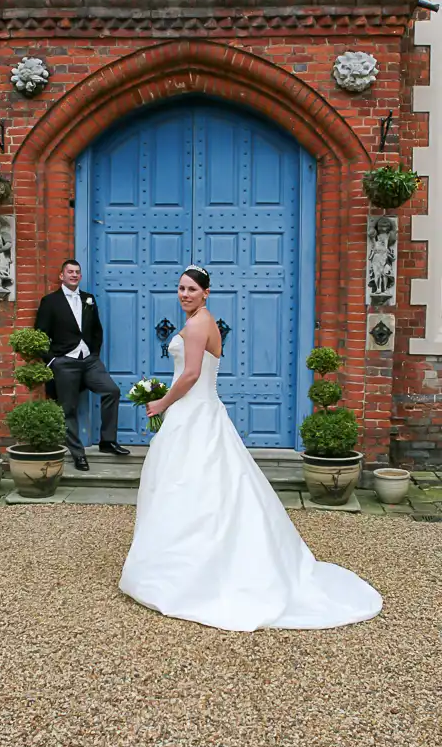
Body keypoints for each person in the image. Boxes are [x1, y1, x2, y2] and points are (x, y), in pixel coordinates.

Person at [119, 264, 382, 632]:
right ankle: (183, 560)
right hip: (198, 412)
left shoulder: (197, 324)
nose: (184, 294)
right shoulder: (205, 321)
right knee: (195, 486)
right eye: (180, 288)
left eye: (192, 289)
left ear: (206, 293)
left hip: (194, 413)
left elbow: (192, 374)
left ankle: (191, 571)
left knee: (188, 483)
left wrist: (162, 404)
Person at [35, 259, 129, 471]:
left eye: (77, 272)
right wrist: (52, 361)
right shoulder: (50, 302)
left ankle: (107, 441)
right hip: (64, 362)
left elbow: (97, 330)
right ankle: (78, 454)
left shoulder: (89, 299)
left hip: (89, 361)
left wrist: (93, 353)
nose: (74, 275)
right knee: (69, 409)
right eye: (70, 272)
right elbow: (39, 335)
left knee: (111, 391)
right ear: (62, 276)